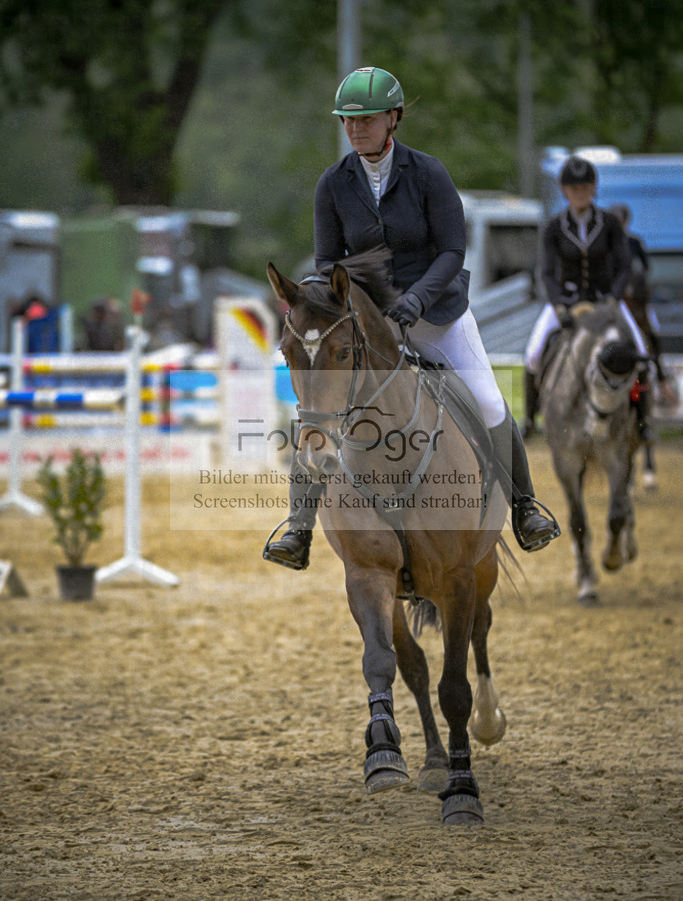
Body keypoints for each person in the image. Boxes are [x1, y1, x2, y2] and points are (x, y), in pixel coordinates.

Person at [263, 66, 558, 571]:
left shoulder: (428, 173)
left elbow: (451, 250)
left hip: (438, 315)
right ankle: (298, 527)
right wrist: (327, 303)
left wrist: (417, 301)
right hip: (370, 324)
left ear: (393, 119)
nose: (356, 129)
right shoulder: (333, 184)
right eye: (348, 121)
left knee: (488, 401)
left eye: (367, 119)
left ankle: (526, 508)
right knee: (320, 410)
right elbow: (328, 262)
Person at [521, 155, 650, 439]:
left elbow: (624, 265)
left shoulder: (609, 224)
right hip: (565, 302)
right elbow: (547, 272)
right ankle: (530, 419)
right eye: (573, 188)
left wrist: (613, 299)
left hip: (605, 301)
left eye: (585, 187)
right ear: (565, 190)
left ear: (593, 189)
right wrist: (558, 306)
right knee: (532, 354)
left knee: (639, 352)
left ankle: (642, 419)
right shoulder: (554, 227)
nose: (579, 193)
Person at [609, 203, 677, 420]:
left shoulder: (634, 242)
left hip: (635, 301)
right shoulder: (607, 244)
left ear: (626, 222)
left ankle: (661, 377)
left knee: (652, 333)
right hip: (613, 300)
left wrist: (635, 283)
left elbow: (646, 267)